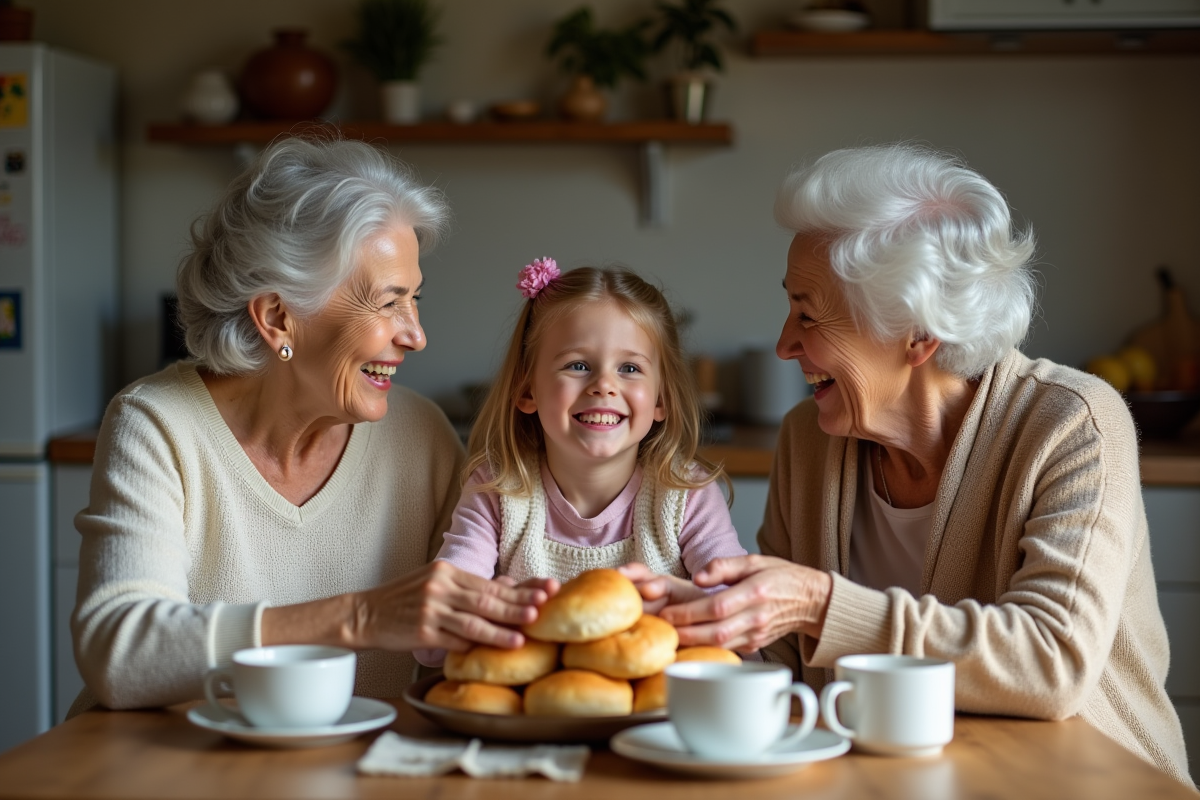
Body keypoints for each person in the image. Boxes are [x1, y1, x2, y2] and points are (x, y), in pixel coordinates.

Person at [622, 144, 1191, 784]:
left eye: (808, 314)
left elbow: (1051, 662)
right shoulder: (808, 438)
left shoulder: (1072, 424)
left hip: (1082, 783)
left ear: (918, 334)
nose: (784, 344)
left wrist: (818, 604)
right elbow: (779, 666)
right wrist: (699, 626)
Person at [70, 138, 549, 714]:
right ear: (277, 317)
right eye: (387, 303)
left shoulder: (419, 435)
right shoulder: (158, 425)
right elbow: (119, 655)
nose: (416, 335)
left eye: (415, 300)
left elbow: (491, 630)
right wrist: (362, 617)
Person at [434, 260, 746, 585]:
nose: (604, 384)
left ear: (661, 398)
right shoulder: (496, 490)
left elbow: (733, 603)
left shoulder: (687, 496)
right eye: (579, 365)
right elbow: (452, 593)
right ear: (527, 389)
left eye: (629, 368)